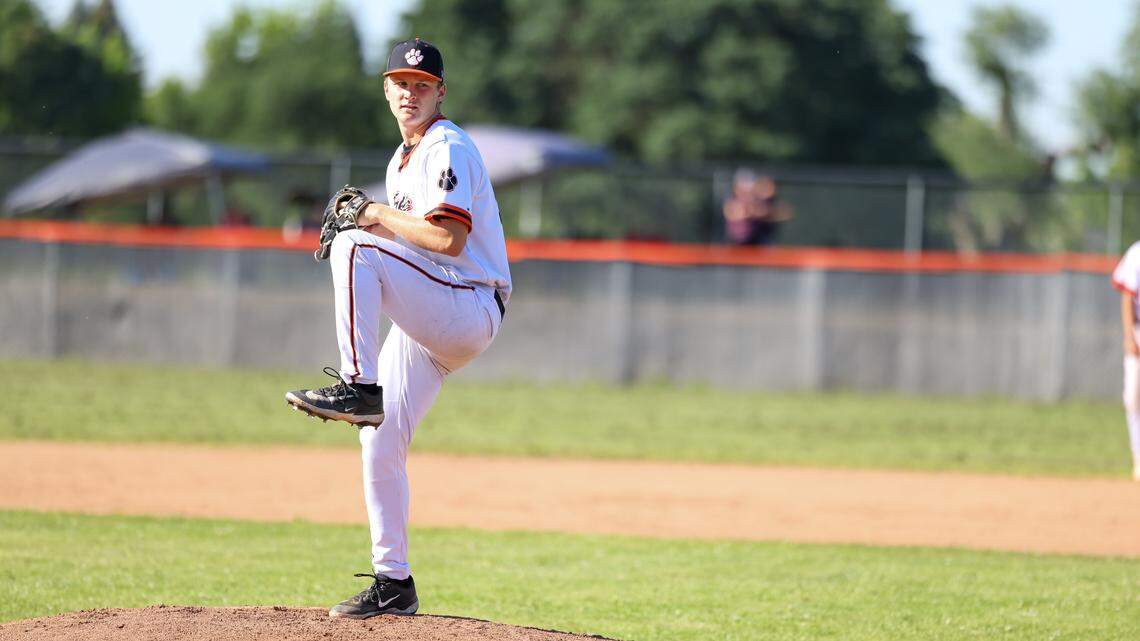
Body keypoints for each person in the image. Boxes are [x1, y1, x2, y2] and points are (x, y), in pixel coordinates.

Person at [284, 38, 512, 617]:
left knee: (358, 242)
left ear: (440, 92)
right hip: (434, 314)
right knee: (378, 441)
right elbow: (411, 246)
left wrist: (375, 217)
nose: (410, 93)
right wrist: (377, 229)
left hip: (468, 305)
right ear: (386, 90)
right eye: (400, 83)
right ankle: (394, 582)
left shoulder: (447, 147)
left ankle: (359, 386)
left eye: (421, 84)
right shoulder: (402, 158)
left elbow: (448, 240)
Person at [1112, 242, 1140, 481]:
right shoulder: (1137, 253)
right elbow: (1127, 295)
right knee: (1133, 397)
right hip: (1138, 331)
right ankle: (1138, 457)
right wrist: (1129, 334)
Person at [722, 170, 793, 246]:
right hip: (738, 243)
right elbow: (734, 213)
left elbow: (783, 213)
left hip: (758, 243)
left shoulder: (759, 200)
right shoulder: (732, 201)